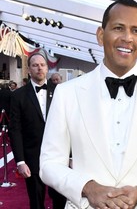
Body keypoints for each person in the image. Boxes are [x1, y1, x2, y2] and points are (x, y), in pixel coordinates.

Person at [39, 0, 137, 209]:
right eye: (118, 28)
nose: (127, 38)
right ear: (100, 35)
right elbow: (49, 164)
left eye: (136, 31)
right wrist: (87, 187)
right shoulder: (67, 93)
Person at [9, 51, 66, 209]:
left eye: (42, 65)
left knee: (60, 200)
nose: (39, 68)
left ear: (47, 68)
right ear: (29, 70)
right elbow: (15, 130)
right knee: (36, 201)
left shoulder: (61, 92)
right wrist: (20, 161)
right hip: (32, 157)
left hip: (57, 157)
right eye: (35, 65)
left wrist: (71, 156)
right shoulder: (18, 96)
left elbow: (69, 125)